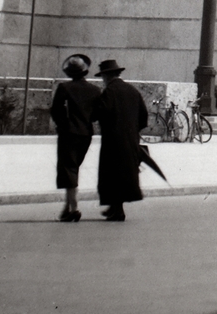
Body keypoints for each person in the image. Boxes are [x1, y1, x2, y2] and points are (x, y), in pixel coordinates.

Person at [93, 59, 149, 221]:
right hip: (131, 140)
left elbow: (101, 112)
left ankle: (117, 210)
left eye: (103, 76)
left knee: (112, 174)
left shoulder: (110, 91)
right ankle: (114, 207)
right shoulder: (132, 90)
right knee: (124, 174)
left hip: (113, 140)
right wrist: (132, 130)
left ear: (107, 75)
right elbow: (143, 116)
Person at [50, 53, 97, 223]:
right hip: (86, 134)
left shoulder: (64, 88)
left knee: (68, 169)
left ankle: (73, 207)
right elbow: (96, 114)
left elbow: (55, 110)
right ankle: (66, 207)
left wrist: (63, 124)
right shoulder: (94, 90)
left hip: (69, 133)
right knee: (73, 167)